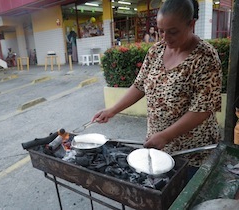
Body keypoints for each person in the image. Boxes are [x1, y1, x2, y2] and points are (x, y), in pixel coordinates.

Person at [92, 0, 222, 177]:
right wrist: (112, 110)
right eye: (161, 31)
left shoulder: (206, 57)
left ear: (191, 24)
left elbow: (203, 109)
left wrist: (166, 135)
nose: (165, 38)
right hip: (158, 146)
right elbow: (139, 85)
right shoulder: (156, 51)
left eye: (173, 32)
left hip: (192, 152)